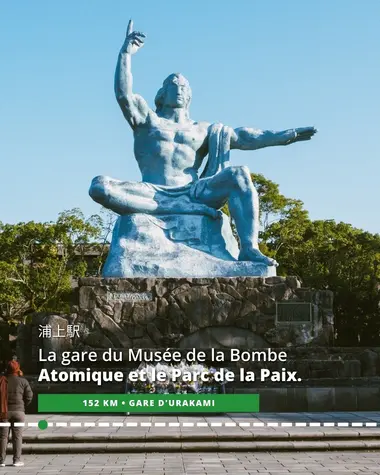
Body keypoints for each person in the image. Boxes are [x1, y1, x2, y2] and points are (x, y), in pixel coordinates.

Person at [89, 20, 317, 267]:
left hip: (194, 192)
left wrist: (285, 136)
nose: (179, 89)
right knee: (100, 187)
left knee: (239, 174)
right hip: (151, 190)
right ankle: (178, 207)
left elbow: (246, 136)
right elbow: (124, 95)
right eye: (173, 85)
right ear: (161, 94)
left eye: (184, 87)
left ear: (189, 95)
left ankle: (250, 248)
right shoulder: (147, 121)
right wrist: (126, 54)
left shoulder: (204, 129)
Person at [0, 360, 33, 468]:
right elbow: (29, 396)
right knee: (17, 437)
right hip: (19, 412)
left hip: (4, 412)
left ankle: (1, 460)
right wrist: (23, 406)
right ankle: (16, 460)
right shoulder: (23, 381)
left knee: (3, 437)